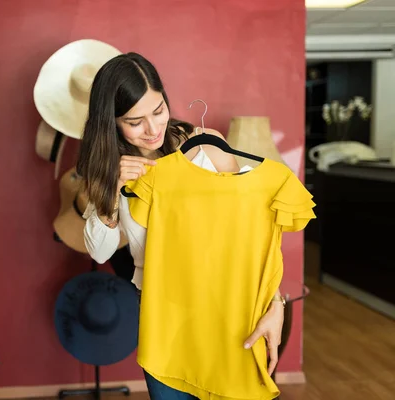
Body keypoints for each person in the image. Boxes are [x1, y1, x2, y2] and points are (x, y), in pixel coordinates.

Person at [77, 52, 285, 400]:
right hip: (164, 318)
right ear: (111, 122)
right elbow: (99, 251)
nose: (153, 129)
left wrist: (274, 304)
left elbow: (254, 236)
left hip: (232, 310)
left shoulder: (206, 148)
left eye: (158, 111)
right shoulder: (111, 170)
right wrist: (112, 192)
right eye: (135, 121)